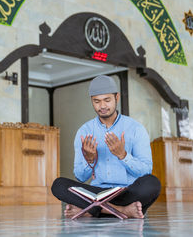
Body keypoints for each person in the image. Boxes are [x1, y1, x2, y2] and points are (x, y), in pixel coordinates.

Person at [51, 75, 161, 219]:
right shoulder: (84, 131)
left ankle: (90, 210)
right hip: (97, 192)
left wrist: (123, 155)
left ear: (117, 97)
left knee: (152, 183)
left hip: (126, 192)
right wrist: (90, 161)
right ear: (91, 101)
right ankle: (122, 211)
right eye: (96, 101)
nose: (102, 106)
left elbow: (145, 171)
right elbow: (80, 177)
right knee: (58, 185)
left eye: (107, 100)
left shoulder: (136, 128)